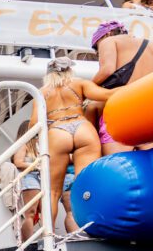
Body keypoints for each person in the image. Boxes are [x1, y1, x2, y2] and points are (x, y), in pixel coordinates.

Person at [29, 56, 116, 227]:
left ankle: (48, 234)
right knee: (85, 184)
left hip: (57, 130)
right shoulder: (79, 83)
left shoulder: (41, 93)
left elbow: (34, 124)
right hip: (83, 128)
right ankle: (91, 228)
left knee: (52, 192)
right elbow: (107, 95)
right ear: (69, 70)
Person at [90, 21, 153, 154]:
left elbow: (107, 70)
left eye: (97, 48)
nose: (98, 53)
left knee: (117, 165)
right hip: (149, 110)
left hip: (124, 109)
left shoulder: (109, 41)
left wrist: (88, 87)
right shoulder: (151, 45)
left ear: (107, 34)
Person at [12, 121, 41, 241]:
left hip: (40, 177)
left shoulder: (38, 145)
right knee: (30, 212)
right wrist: (36, 165)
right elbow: (18, 162)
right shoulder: (23, 144)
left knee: (45, 211)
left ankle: (48, 238)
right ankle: (28, 243)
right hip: (29, 177)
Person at [61, 162, 77, 233]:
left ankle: (75, 237)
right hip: (71, 176)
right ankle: (75, 237)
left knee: (71, 212)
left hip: (71, 176)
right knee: (71, 212)